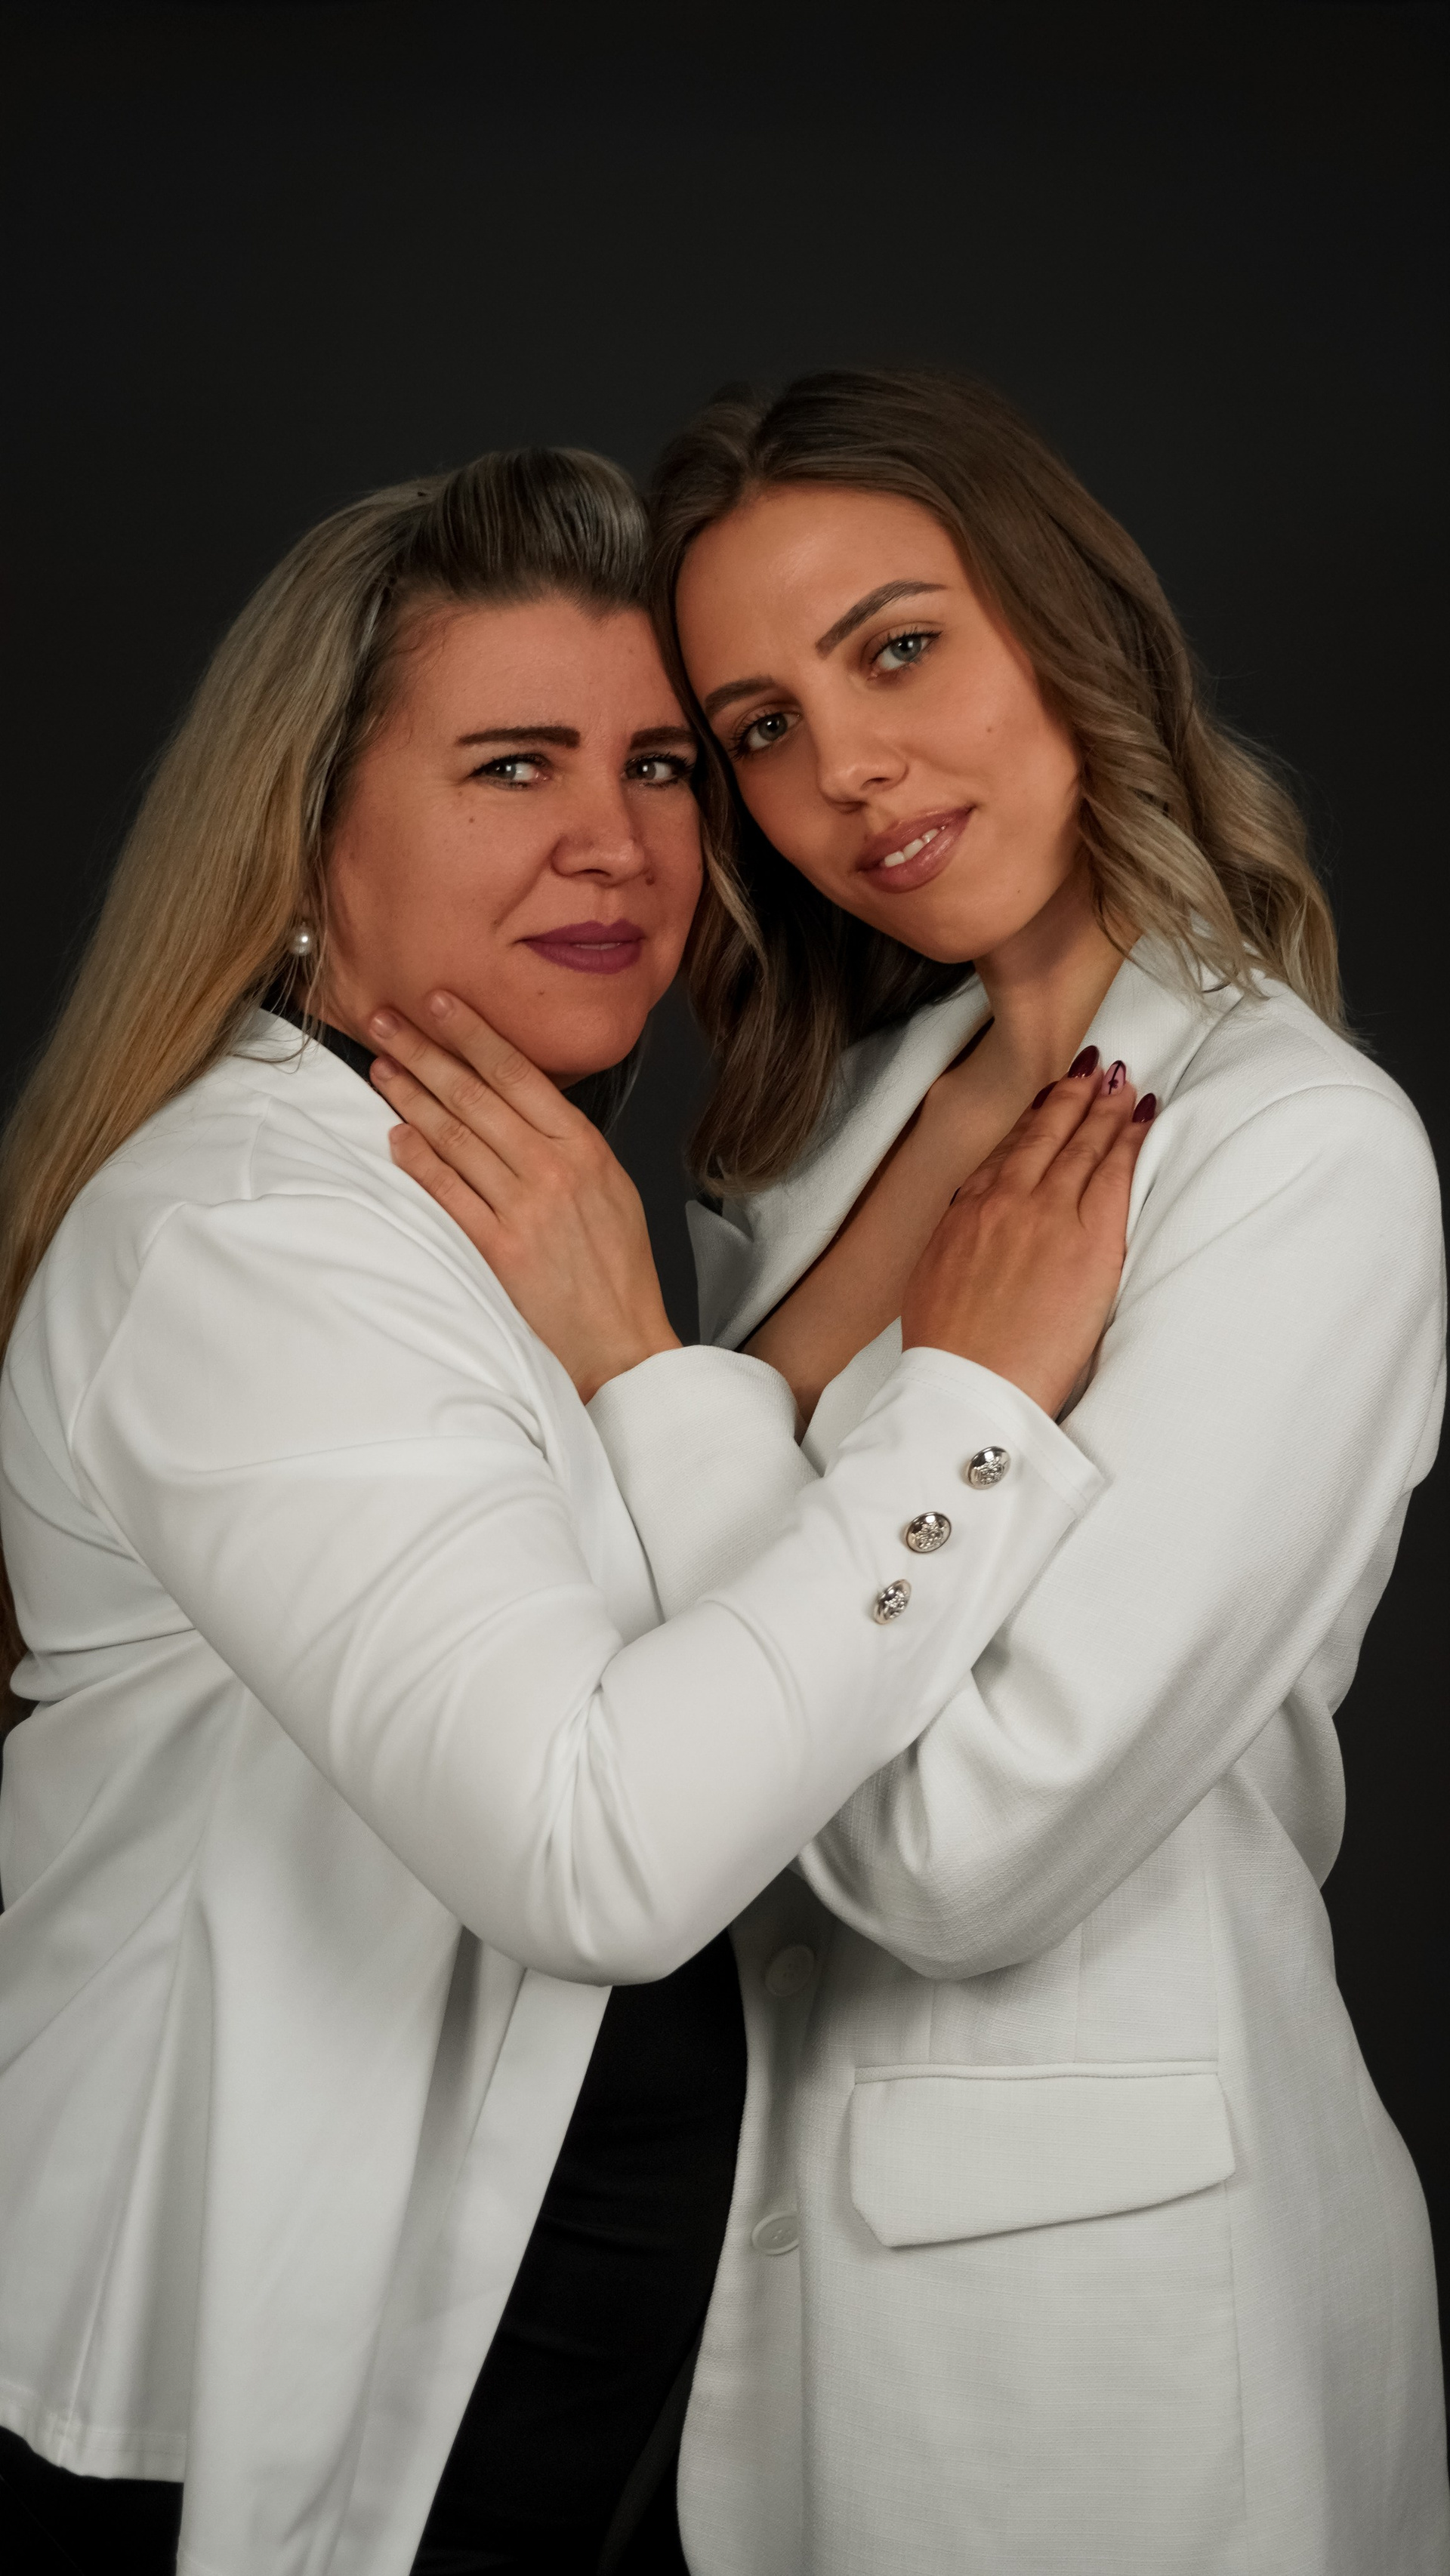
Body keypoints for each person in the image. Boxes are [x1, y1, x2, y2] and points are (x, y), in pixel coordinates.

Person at [0, 442, 1147, 2576]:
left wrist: (999, 1082)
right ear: (305, 839)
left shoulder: (490, 1199)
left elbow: (695, 1577)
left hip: (527, 2408)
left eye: (663, 768)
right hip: (225, 2430)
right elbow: (592, 1852)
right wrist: (976, 1414)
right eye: (513, 766)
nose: (615, 844)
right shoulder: (255, 1242)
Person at [372, 374, 1448, 2575]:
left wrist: (636, 1363)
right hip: (762, 2267)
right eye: (760, 726)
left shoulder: (1297, 1156)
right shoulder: (823, 1132)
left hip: (1114, 2321)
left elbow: (964, 1853)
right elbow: (684, 1680)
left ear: (1072, 626)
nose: (844, 771)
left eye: (898, 648)